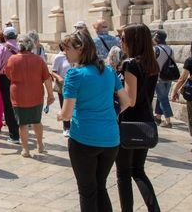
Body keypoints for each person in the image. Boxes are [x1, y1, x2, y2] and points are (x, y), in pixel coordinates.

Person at [56, 31, 131, 212]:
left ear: (80, 49)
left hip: (84, 139)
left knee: (87, 191)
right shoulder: (109, 71)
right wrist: (110, 115)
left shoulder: (74, 74)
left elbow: (66, 114)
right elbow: (126, 102)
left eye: (67, 49)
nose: (64, 53)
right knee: (100, 186)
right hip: (111, 139)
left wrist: (59, 115)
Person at [115, 24, 161, 212]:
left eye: (123, 38)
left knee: (123, 173)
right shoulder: (152, 63)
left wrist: (113, 113)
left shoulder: (131, 64)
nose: (120, 42)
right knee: (138, 170)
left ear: (133, 41)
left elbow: (130, 99)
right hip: (145, 120)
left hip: (128, 121)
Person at [6, 34, 54, 157]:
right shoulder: (39, 60)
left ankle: (25, 149)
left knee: (22, 124)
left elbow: (8, 75)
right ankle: (40, 144)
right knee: (37, 121)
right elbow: (47, 78)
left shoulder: (12, 59)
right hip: (36, 95)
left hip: (18, 96)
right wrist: (50, 95)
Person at [0, 26, 21, 144]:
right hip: (21, 79)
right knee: (19, 106)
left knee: (8, 106)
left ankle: (14, 135)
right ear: (16, 36)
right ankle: (22, 131)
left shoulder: (2, 49)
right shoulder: (22, 48)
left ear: (4, 36)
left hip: (5, 79)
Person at [152, 29, 174, 128]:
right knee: (162, 97)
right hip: (168, 76)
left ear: (157, 38)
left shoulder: (155, 49)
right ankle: (158, 116)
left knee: (163, 98)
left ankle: (168, 121)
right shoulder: (170, 49)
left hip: (159, 77)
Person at [50, 46, 72, 137]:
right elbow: (53, 71)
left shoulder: (75, 56)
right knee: (64, 106)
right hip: (63, 85)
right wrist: (59, 78)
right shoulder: (58, 57)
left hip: (75, 84)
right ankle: (66, 127)